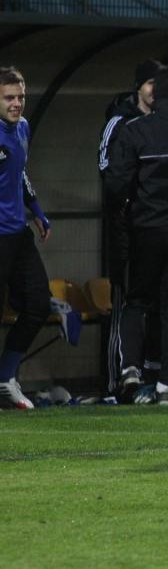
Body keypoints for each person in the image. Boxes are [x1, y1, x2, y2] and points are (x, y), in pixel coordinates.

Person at [104, 65, 168, 405]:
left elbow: (116, 183)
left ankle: (131, 370)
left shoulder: (136, 130)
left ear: (154, 94)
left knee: (137, 301)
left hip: (148, 228)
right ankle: (166, 383)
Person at [97, 59, 163, 399]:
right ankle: (115, 383)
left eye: (159, 84)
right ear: (139, 86)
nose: (155, 90)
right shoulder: (119, 122)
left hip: (156, 226)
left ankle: (148, 377)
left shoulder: (166, 123)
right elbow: (107, 168)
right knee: (124, 300)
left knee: (154, 302)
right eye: (150, 83)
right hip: (127, 226)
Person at [0, 66, 52, 410]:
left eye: (20, 96)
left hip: (17, 236)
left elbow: (19, 173)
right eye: (8, 98)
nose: (16, 103)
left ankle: (5, 379)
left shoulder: (22, 129)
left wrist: (35, 208)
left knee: (38, 304)